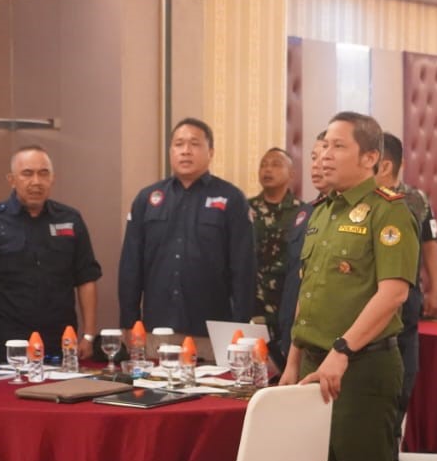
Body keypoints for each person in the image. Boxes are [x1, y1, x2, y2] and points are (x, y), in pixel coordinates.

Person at [280, 111, 418, 461]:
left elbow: (393, 294)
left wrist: (341, 350)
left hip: (363, 367)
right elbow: (310, 292)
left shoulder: (389, 213)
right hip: (317, 362)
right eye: (321, 145)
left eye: (337, 146)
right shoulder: (321, 213)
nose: (323, 155)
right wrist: (296, 358)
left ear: (370, 159)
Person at [118, 117, 255, 357]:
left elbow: (243, 270)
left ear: (210, 151)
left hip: (211, 329)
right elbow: (131, 266)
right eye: (179, 144)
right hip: (157, 328)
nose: (186, 151)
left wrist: (240, 326)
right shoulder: (147, 198)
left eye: (194, 144)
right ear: (170, 151)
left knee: (211, 394)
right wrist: (129, 322)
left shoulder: (230, 198)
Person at [0, 145, 101, 363]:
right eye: (27, 174)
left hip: (62, 345)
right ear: (11, 180)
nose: (36, 182)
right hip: (10, 346)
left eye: (43, 174)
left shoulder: (70, 219)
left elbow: (86, 279)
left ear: (53, 179)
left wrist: (88, 335)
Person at [374, 133, 437, 447]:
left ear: (385, 164)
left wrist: (436, 287)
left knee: (404, 379)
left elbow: (430, 243)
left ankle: (394, 443)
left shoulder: (415, 199)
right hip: (370, 304)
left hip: (407, 303)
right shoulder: (357, 200)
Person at [275, 132, 326, 367]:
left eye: (325, 158)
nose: (317, 166)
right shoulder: (306, 212)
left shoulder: (370, 214)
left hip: (329, 342)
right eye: (313, 158)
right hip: (294, 329)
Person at [248, 147, 301, 351]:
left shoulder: (303, 212)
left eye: (276, 164)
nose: (267, 170)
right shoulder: (245, 208)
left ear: (292, 174)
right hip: (253, 304)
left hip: (286, 304)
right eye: (263, 165)